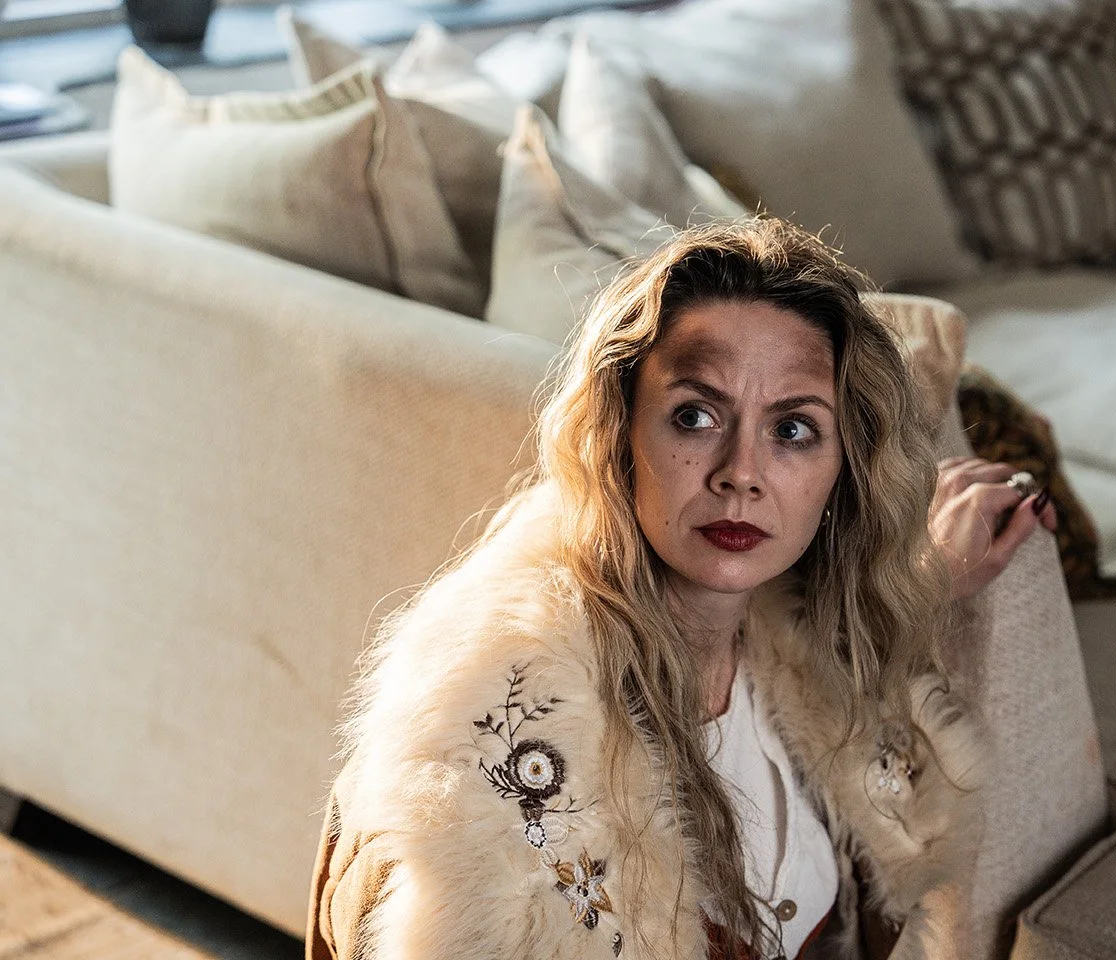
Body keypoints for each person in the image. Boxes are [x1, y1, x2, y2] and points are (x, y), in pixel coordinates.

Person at [306, 218, 1056, 960]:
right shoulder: (495, 744)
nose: (741, 473)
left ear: (841, 471)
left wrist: (919, 585)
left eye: (793, 430)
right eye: (695, 416)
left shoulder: (802, 658)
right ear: (620, 434)